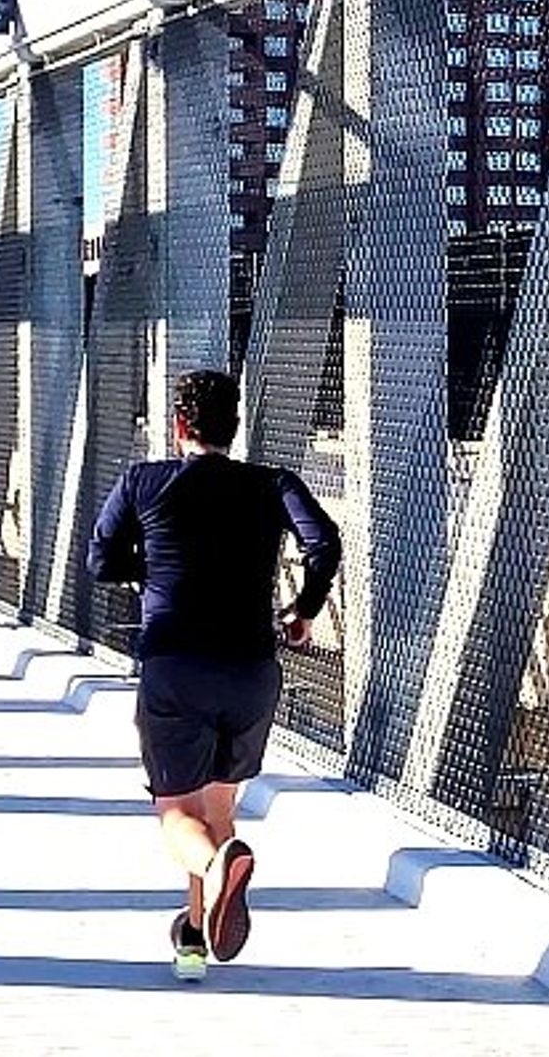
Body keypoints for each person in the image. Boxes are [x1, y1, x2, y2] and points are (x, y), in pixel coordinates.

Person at [86, 369, 341, 981]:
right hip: (251, 669)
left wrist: (147, 570)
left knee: (177, 812)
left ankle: (220, 869)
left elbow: (101, 561)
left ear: (179, 427)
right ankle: (194, 939)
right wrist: (304, 610)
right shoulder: (271, 484)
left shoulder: (144, 481)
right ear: (235, 425)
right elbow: (324, 543)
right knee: (218, 806)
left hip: (176, 665)